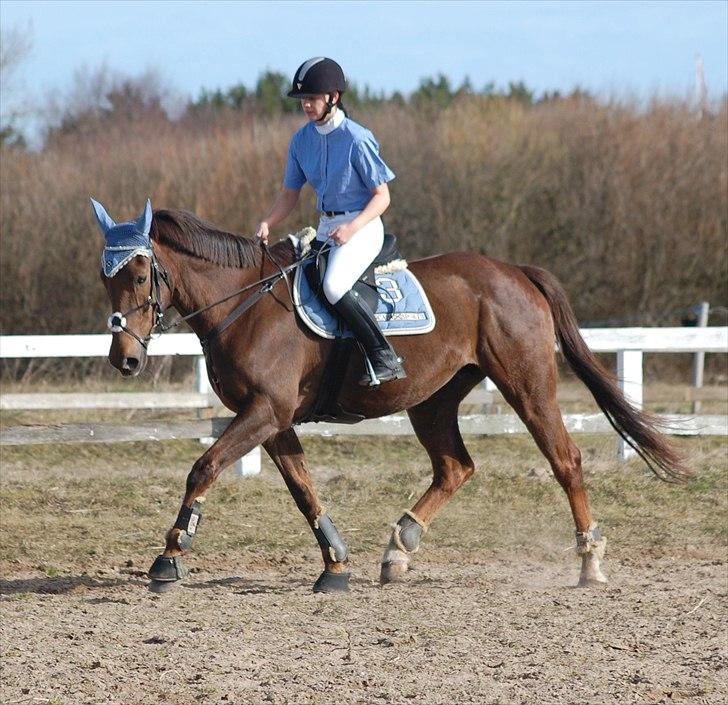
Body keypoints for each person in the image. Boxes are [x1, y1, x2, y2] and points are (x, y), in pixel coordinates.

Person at [255, 57, 406, 386]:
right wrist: (268, 221)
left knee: (334, 285)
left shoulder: (357, 138)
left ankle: (384, 356)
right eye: (303, 100)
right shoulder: (301, 141)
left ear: (333, 97)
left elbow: (383, 196)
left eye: (312, 98)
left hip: (362, 226)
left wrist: (352, 229)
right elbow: (290, 195)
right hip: (327, 226)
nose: (306, 105)